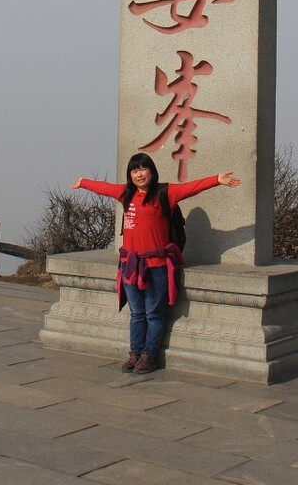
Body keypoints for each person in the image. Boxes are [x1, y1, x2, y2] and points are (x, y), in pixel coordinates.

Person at [72, 152, 240, 373]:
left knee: (154, 313)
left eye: (143, 169)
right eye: (135, 170)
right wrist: (84, 183)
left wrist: (217, 179)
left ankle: (149, 355)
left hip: (157, 266)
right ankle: (135, 353)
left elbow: (192, 187)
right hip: (131, 265)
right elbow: (105, 188)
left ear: (151, 171)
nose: (139, 174)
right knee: (137, 313)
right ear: (130, 175)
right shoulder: (126, 194)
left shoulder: (165, 193)